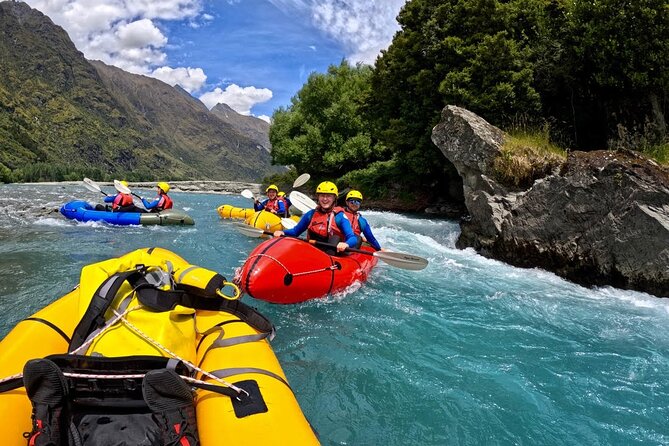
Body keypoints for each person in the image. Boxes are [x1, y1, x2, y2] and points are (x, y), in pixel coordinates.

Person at [273, 181, 357, 253]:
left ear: (334, 198)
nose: (325, 199)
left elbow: (352, 237)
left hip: (332, 255)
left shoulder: (339, 217)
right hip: (313, 252)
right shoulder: (311, 214)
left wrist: (346, 244)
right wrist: (283, 232)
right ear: (318, 197)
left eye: (328, 196)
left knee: (335, 239)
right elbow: (295, 231)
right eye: (322, 196)